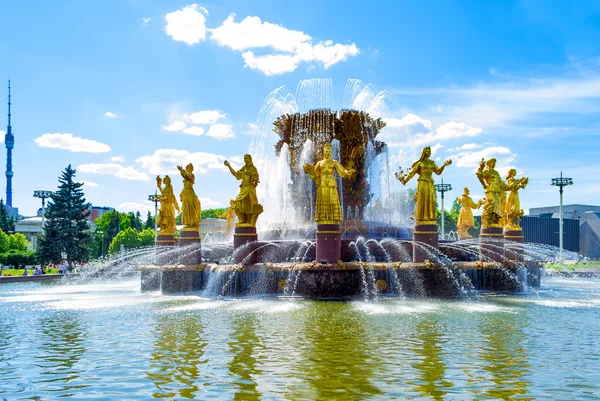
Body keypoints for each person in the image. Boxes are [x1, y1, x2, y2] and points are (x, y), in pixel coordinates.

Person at [396, 146, 452, 225]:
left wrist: (444, 165)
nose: (430, 153)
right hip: (422, 182)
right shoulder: (419, 163)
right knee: (423, 199)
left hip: (430, 182)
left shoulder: (432, 163)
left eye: (430, 151)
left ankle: (430, 217)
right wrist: (405, 180)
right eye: (428, 151)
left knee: (432, 199)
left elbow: (438, 172)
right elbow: (412, 172)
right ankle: (422, 218)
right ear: (424, 152)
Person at [303, 142, 356, 224]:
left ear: (331, 151)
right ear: (323, 151)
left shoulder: (334, 162)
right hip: (322, 183)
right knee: (323, 200)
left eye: (329, 151)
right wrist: (309, 170)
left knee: (332, 199)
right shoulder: (320, 163)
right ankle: (323, 218)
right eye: (326, 151)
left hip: (331, 183)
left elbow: (342, 170)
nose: (327, 152)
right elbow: (315, 173)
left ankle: (334, 218)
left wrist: (348, 172)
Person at [224, 155, 262, 226]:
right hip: (243, 188)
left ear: (250, 159)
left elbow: (255, 178)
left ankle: (249, 221)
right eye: (244, 158)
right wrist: (229, 166)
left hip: (250, 189)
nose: (245, 160)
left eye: (246, 158)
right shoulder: (244, 168)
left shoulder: (253, 168)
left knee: (250, 205)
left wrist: (255, 181)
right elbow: (236, 174)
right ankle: (242, 220)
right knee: (239, 204)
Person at [476, 158, 508, 228]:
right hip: (490, 190)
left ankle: (494, 221)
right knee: (491, 205)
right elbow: (480, 176)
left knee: (497, 207)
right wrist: (481, 167)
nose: (494, 164)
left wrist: (509, 187)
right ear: (489, 163)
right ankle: (488, 222)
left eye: (495, 163)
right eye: (493, 163)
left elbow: (501, 183)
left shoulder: (496, 172)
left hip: (497, 191)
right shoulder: (487, 171)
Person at [177, 163, 201, 230]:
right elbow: (184, 175)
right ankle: (187, 223)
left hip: (190, 192)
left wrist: (182, 170)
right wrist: (181, 171)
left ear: (191, 168)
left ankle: (191, 223)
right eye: (186, 168)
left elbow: (187, 176)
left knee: (190, 207)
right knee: (185, 208)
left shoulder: (192, 176)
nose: (187, 169)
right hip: (185, 192)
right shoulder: (186, 174)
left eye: (188, 167)